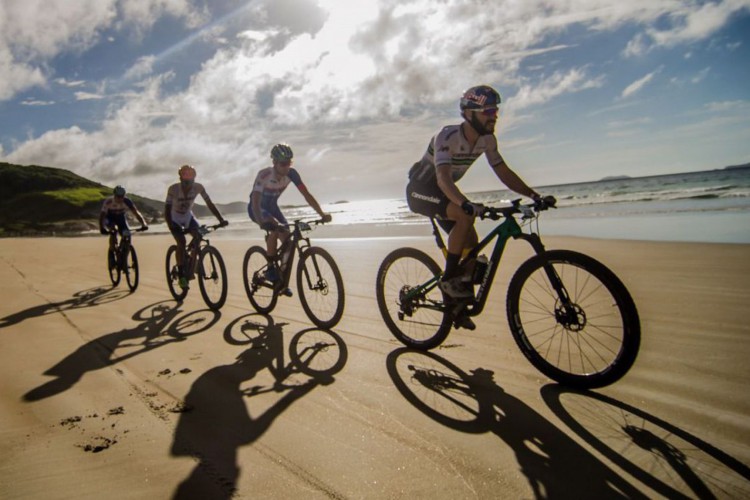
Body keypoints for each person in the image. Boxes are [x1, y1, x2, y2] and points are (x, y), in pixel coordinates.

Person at [407, 84, 551, 302]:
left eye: (496, 111)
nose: (494, 117)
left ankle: (457, 305)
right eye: (488, 111)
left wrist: (534, 196)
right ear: (468, 113)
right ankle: (448, 279)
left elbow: (503, 172)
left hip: (445, 194)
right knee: (465, 216)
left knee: (471, 247)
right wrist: (464, 203)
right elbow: (443, 178)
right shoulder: (446, 137)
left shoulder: (487, 140)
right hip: (421, 191)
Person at [248, 143, 331, 282]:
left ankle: (281, 277)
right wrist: (262, 222)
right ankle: (270, 268)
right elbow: (255, 201)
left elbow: (306, 195)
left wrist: (322, 214)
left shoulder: (292, 174)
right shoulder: (264, 175)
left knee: (288, 241)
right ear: (274, 162)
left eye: (289, 163)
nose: (286, 167)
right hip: (257, 209)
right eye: (283, 163)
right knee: (274, 228)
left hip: (272, 208)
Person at [165, 164, 228, 288]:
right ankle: (181, 274)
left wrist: (221, 219)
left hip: (188, 216)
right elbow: (167, 209)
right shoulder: (173, 189)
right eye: (185, 174)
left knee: (198, 235)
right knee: (181, 242)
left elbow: (209, 204)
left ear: (194, 176)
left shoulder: (199, 187)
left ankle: (192, 260)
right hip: (174, 218)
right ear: (180, 177)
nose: (188, 177)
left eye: (191, 174)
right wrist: (171, 225)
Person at [99, 185, 148, 266]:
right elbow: (102, 215)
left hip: (120, 218)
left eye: (122, 196)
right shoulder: (109, 201)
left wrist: (144, 224)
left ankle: (124, 260)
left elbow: (136, 213)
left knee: (127, 234)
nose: (120, 198)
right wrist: (102, 227)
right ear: (114, 195)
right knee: (114, 230)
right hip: (109, 218)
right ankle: (112, 252)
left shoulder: (127, 201)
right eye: (118, 196)